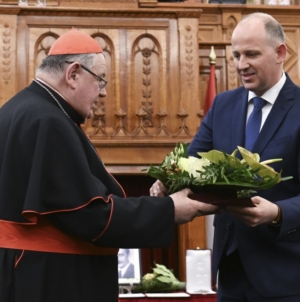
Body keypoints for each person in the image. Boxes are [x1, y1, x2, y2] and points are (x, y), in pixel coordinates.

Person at [0, 28, 217, 302]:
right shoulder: (48, 121)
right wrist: (170, 210)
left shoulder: (17, 109)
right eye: (100, 80)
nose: (102, 93)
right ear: (74, 74)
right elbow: (89, 217)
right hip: (52, 280)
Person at [186, 12, 300, 302]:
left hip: (285, 275)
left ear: (280, 53)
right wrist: (169, 181)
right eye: (236, 55)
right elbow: (194, 163)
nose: (240, 65)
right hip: (231, 274)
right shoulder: (223, 105)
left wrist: (277, 213)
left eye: (251, 54)